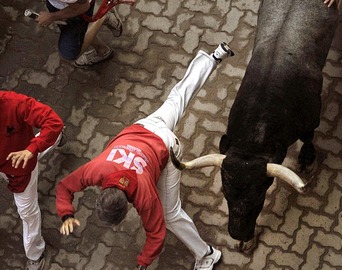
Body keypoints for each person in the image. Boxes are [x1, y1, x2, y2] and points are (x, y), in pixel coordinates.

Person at [55, 42, 234, 270]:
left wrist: (143, 264)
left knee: (170, 215)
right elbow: (64, 188)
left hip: (166, 148)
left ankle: (207, 254)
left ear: (129, 205)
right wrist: (65, 214)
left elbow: (156, 234)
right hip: (145, 128)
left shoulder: (145, 196)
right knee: (177, 97)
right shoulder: (97, 169)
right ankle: (214, 56)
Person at [0, 90, 65, 270]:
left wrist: (31, 149)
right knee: (38, 145)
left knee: (27, 213)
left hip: (19, 167)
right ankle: (52, 138)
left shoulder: (15, 103)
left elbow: (53, 121)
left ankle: (35, 253)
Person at [36, 0, 134, 67]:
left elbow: (82, 7)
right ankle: (102, 50)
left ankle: (102, 16)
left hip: (77, 10)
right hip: (63, 4)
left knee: (69, 53)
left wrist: (52, 16)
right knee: (79, 32)